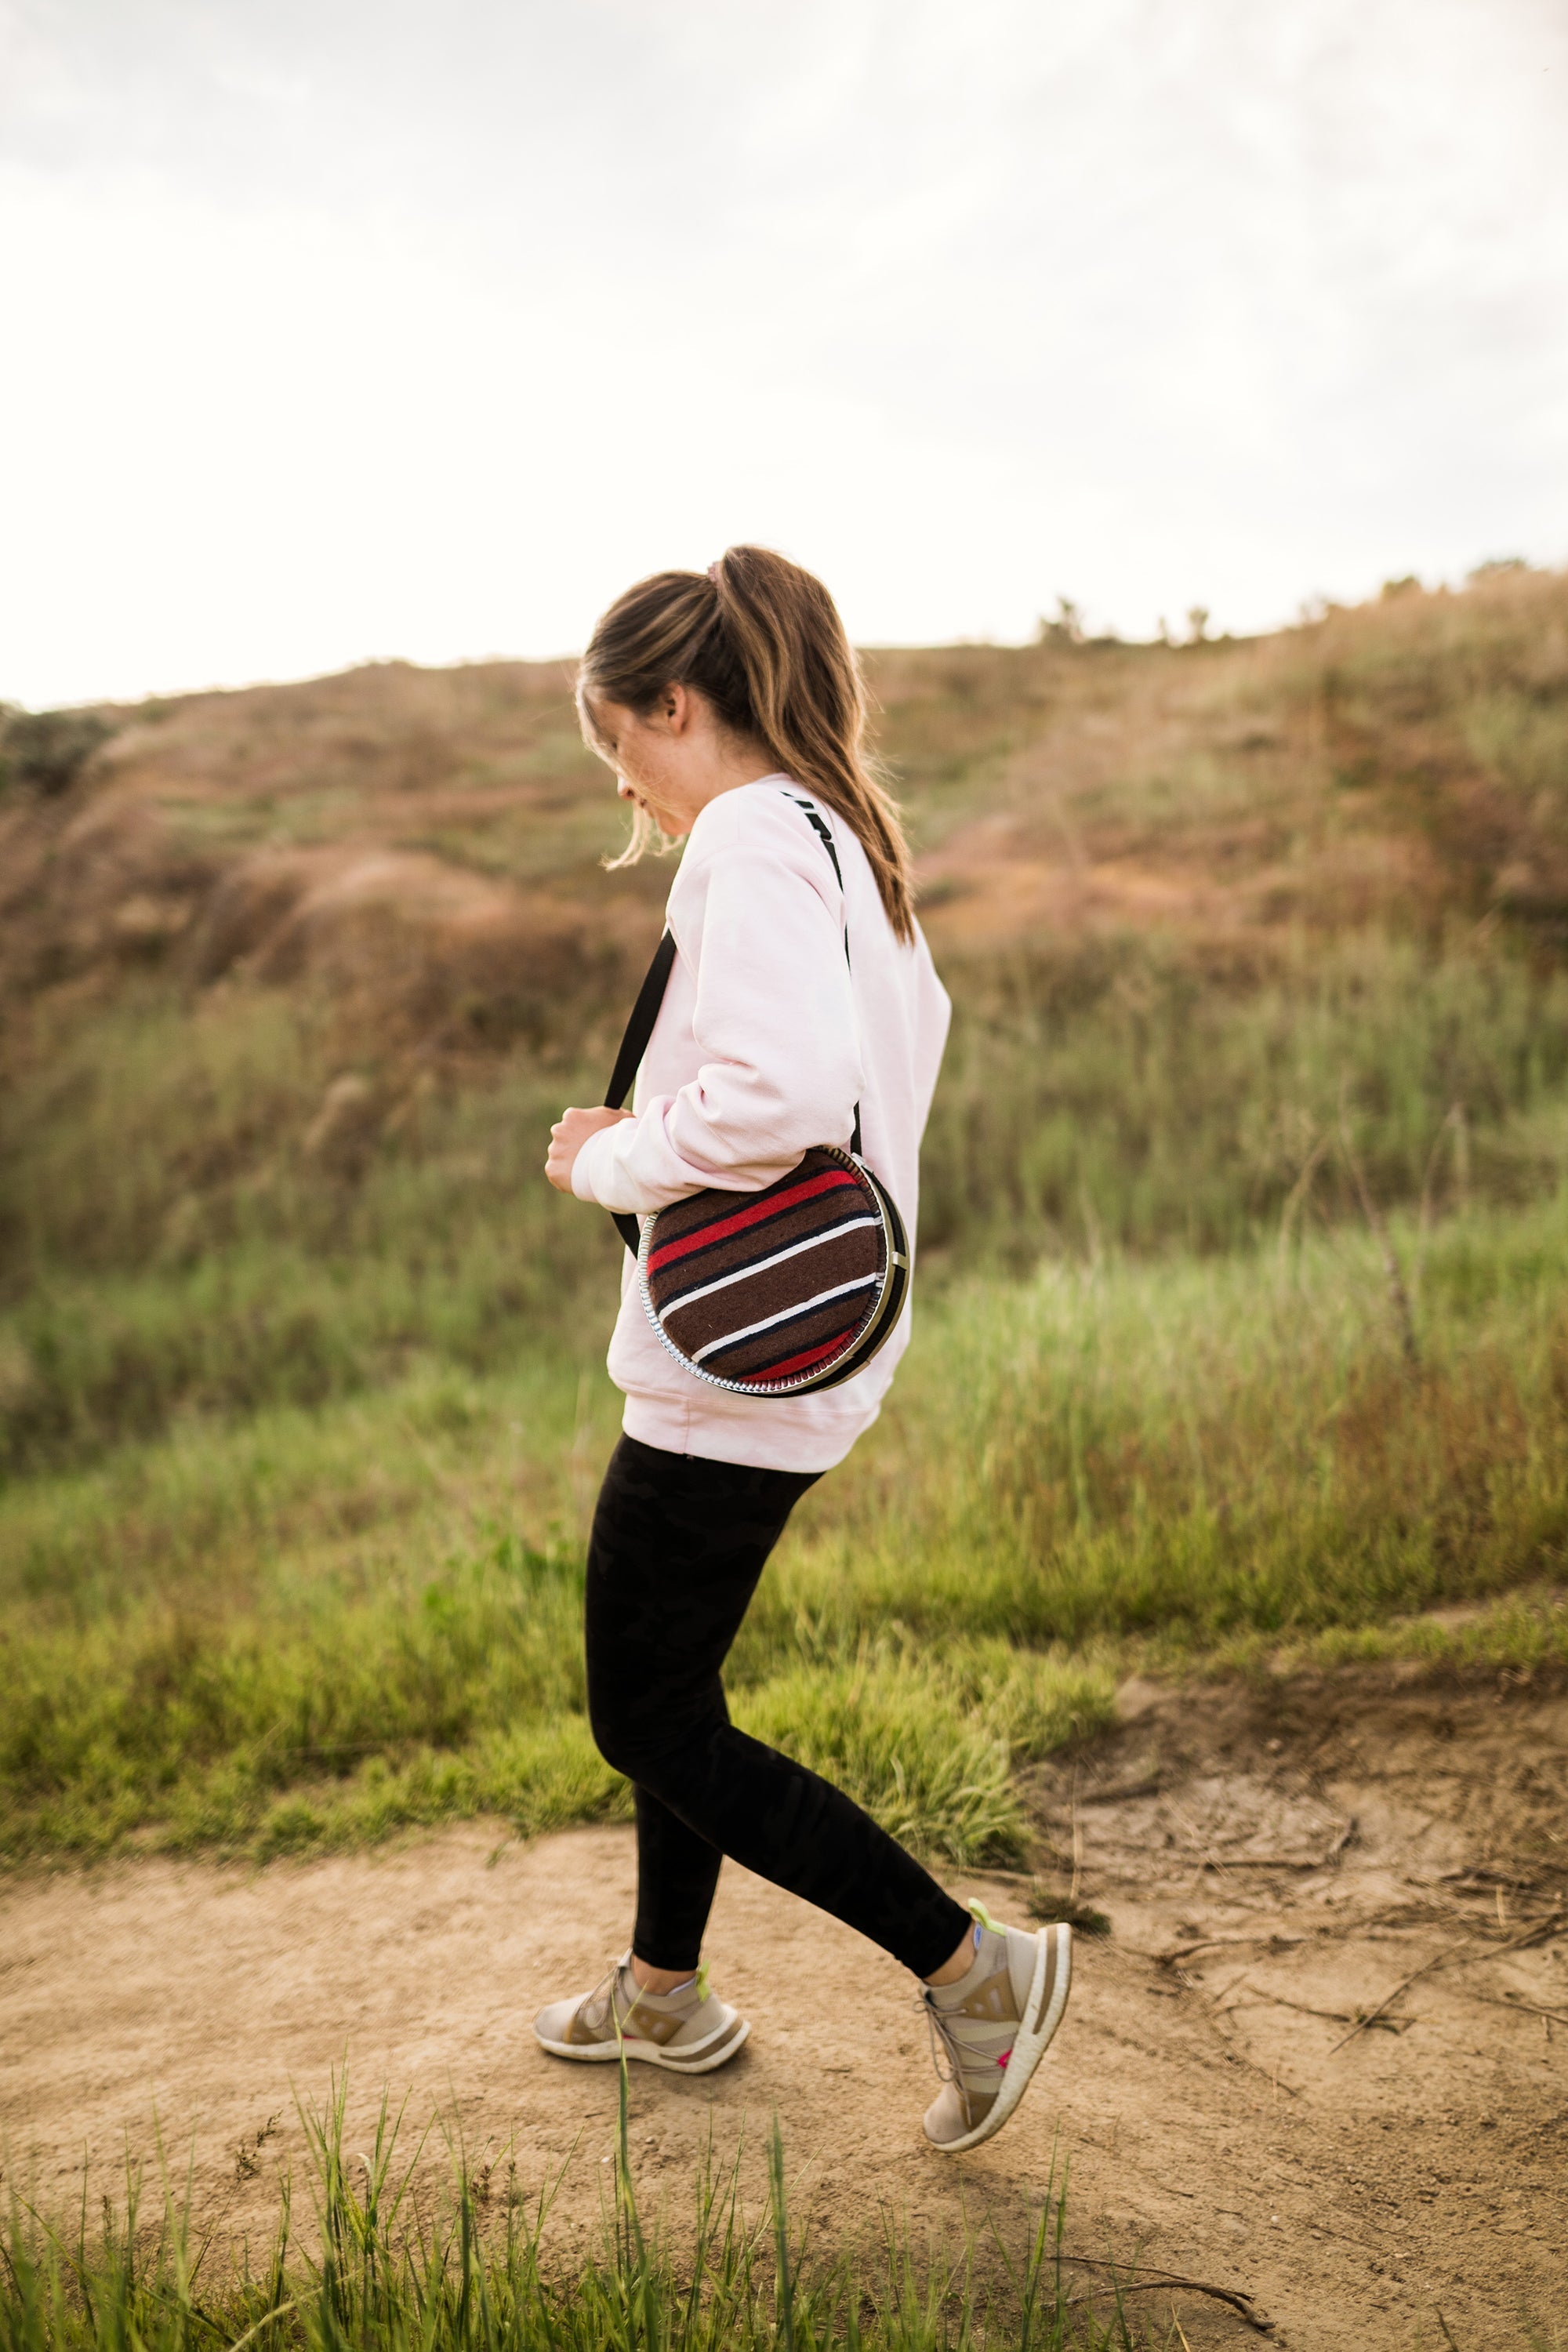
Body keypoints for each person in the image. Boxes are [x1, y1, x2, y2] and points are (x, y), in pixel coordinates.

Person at [535, 546, 1071, 2153]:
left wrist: (612, 1160)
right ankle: (659, 1991)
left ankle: (971, 1969)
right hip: (808, 1349)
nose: (623, 776)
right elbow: (844, 1082)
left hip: (730, 1375)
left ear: (676, 703)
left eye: (617, 738)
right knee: (672, 1684)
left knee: (648, 1717)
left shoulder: (756, 837)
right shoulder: (846, 842)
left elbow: (778, 1099)